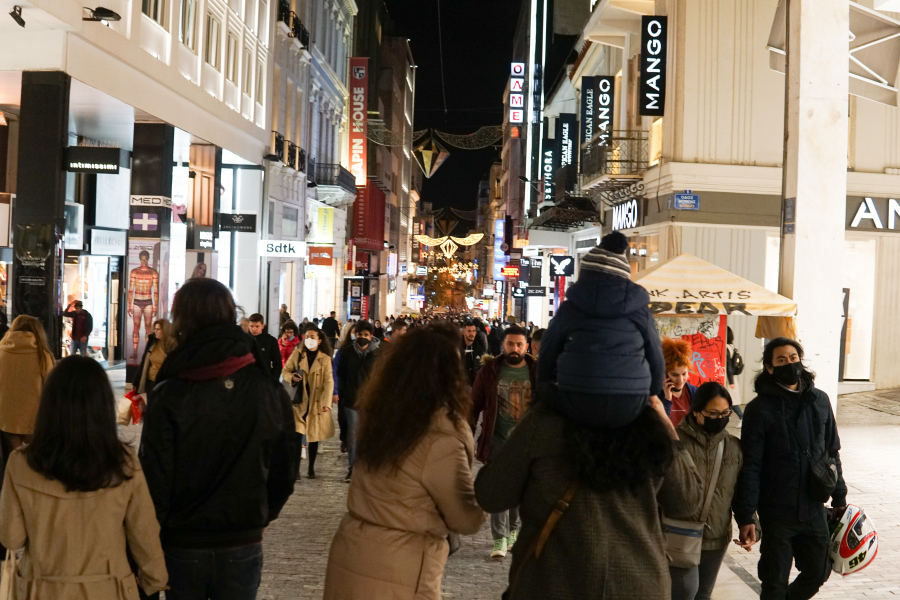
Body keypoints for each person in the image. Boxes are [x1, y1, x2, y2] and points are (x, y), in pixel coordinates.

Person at [140, 278, 297, 600]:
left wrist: (151, 539)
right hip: (243, 538)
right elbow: (286, 466)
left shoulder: (170, 392)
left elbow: (155, 477)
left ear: (181, 321)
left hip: (184, 541)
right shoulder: (267, 389)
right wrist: (263, 516)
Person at [475, 392, 702, 599]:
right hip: (638, 584)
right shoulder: (649, 425)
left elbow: (491, 495)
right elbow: (687, 502)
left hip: (552, 583)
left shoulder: (543, 421)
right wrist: (667, 428)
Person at [323, 323, 485, 600]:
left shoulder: (383, 415)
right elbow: (465, 519)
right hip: (400, 569)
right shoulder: (440, 436)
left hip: (352, 551)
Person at [0, 356, 168, 598]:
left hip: (43, 589)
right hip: (109, 589)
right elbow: (145, 533)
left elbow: (11, 538)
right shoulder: (124, 463)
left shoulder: (21, 463)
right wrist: (155, 580)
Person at [734, 338, 847, 600]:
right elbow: (751, 465)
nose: (790, 364)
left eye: (793, 357)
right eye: (781, 360)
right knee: (774, 583)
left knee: (818, 571)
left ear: (800, 359)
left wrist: (840, 496)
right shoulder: (758, 410)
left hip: (814, 508)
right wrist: (746, 515)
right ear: (769, 368)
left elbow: (832, 451)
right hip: (777, 512)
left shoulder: (820, 401)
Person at [536, 232, 665, 429]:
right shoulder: (640, 311)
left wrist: (544, 385)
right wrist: (651, 391)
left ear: (585, 275)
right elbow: (656, 355)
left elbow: (547, 351)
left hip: (578, 400)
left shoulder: (570, 308)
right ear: (624, 277)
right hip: (629, 403)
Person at [671, 382, 749, 600]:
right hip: (679, 534)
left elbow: (740, 491)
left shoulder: (734, 446)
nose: (720, 418)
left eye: (725, 413)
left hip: (716, 535)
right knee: (684, 592)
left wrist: (749, 522)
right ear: (696, 412)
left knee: (703, 594)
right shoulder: (674, 443)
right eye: (713, 413)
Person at [470, 325, 536, 558]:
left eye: (519, 344)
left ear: (526, 346)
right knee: (499, 489)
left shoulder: (536, 370)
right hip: (496, 438)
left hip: (526, 441)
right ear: (502, 345)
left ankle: (514, 533)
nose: (514, 349)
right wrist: (467, 433)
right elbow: (474, 403)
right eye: (510, 344)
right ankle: (499, 539)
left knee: (518, 490)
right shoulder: (490, 370)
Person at [282, 326, 334, 479]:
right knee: (298, 435)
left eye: (312, 337)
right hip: (299, 401)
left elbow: (329, 381)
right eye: (307, 337)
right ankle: (296, 470)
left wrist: (326, 402)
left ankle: (311, 468)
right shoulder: (298, 354)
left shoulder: (324, 358)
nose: (309, 340)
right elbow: (285, 370)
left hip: (316, 402)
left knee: (313, 436)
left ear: (319, 340)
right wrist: (291, 377)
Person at [0, 316, 55, 453]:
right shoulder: (44, 356)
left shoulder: (1, 352)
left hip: (6, 418)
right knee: (34, 461)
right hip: (35, 418)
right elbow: (52, 389)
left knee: (12, 458)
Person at [335, 320, 381, 482]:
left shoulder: (377, 354)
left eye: (366, 335)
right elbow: (340, 374)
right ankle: (353, 468)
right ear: (355, 335)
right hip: (351, 401)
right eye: (360, 334)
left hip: (370, 402)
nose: (362, 337)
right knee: (353, 436)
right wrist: (341, 393)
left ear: (371, 336)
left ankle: (368, 468)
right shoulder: (347, 352)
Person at [127, 250, 160, 362]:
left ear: (148, 259)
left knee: (148, 327)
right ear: (140, 259)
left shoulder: (153, 272)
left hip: (148, 301)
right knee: (136, 327)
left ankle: (148, 352)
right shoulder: (134, 272)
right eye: (142, 259)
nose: (144, 261)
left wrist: (155, 306)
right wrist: (129, 305)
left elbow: (155, 290)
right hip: (137, 301)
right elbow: (131, 289)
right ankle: (135, 352)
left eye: (146, 259)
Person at [132, 319, 174, 396]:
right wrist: (136, 382)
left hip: (163, 382)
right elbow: (144, 362)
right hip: (150, 381)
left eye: (158, 329)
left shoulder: (172, 345)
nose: (155, 331)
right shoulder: (152, 341)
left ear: (165, 330)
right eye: (154, 329)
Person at [661, 337, 697, 427]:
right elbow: (659, 426)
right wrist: (667, 401)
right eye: (675, 375)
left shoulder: (694, 392)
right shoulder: (656, 395)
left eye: (684, 374)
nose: (680, 380)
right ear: (665, 374)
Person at [249, 313, 282, 383]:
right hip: (247, 380)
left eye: (257, 326)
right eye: (251, 326)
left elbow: (277, 363)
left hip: (265, 380)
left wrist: (274, 380)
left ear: (262, 326)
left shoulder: (271, 341)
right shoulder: (244, 340)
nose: (254, 329)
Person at [726, 326, 745, 422]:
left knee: (731, 401)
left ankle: (742, 417)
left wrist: (730, 382)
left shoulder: (725, 348)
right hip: (731, 377)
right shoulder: (731, 346)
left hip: (728, 378)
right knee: (729, 400)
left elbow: (728, 365)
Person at [462, 320, 487, 385]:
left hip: (475, 385)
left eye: (474, 331)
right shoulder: (457, 348)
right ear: (463, 332)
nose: (472, 334)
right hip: (461, 385)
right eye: (469, 331)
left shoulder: (480, 349)